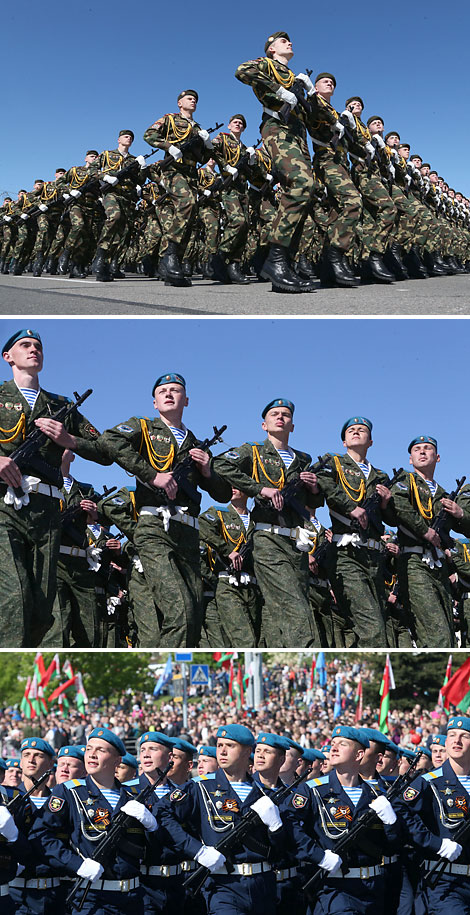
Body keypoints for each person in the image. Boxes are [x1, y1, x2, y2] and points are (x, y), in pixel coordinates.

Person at [98, 372, 231, 647]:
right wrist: (151, 475)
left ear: (186, 400)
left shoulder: (196, 445)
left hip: (189, 533)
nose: (169, 394)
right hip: (155, 527)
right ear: (155, 403)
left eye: (175, 390)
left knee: (193, 616)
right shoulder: (144, 427)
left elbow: (224, 493)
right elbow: (109, 440)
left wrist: (207, 471)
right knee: (179, 610)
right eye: (163, 391)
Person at [0, 329, 110, 647]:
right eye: (25, 345)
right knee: (13, 596)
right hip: (6, 506)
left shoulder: (60, 405)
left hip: (47, 513)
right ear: (8, 357)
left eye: (38, 346)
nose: (33, 350)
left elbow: (104, 449)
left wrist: (68, 439)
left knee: (42, 612)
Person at [214, 398, 322, 646]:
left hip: (296, 541)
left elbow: (316, 501)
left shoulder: (303, 459)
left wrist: (314, 488)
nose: (280, 417)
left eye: (286, 415)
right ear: (264, 425)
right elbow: (220, 464)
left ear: (292, 426)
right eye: (275, 414)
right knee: (294, 604)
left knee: (279, 607)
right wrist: (259, 489)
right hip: (268, 537)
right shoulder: (252, 450)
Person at [159, 723, 287, 915]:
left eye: (230, 746)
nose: (223, 751)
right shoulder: (200, 788)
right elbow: (162, 814)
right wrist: (197, 850)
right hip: (223, 886)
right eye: (219, 746)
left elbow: (282, 850)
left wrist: (276, 827)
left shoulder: (265, 794)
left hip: (263, 885)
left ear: (247, 751)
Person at [29, 726, 157, 915]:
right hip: (92, 898)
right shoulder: (69, 792)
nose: (92, 755)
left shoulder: (133, 797)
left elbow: (153, 850)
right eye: (89, 749)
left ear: (117, 760)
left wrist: (152, 827)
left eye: (101, 750)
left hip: (133, 898)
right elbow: (41, 835)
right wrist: (77, 864)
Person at [235, 32, 316, 292]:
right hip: (277, 128)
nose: (289, 42)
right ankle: (276, 260)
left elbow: (311, 115)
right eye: (282, 41)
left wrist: (309, 91)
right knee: (301, 183)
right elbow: (241, 71)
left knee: (307, 191)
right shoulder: (265, 64)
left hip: (298, 134)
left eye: (290, 40)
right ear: (271, 49)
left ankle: (285, 263)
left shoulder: (297, 78)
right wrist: (279, 88)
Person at [316, 416, 395, 647]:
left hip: (374, 557)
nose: (356, 432)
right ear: (344, 441)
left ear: (370, 441)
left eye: (362, 430)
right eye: (351, 430)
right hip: (346, 554)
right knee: (372, 629)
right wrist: (351, 508)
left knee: (376, 624)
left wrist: (386, 503)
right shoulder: (332, 463)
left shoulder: (380, 476)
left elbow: (390, 519)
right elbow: (324, 485)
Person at [394, 715, 470, 915]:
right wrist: (435, 843)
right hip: (446, 881)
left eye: (464, 736)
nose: (457, 741)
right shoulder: (428, 781)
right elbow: (401, 810)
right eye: (452, 735)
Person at [392, 435, 458, 647]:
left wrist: (460, 514)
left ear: (437, 457)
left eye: (427, 448)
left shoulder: (443, 493)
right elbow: (400, 506)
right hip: (414, 560)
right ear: (410, 459)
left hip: (438, 564)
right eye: (417, 449)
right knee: (433, 626)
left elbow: (459, 528)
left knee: (447, 625)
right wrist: (425, 531)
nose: (422, 452)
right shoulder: (404, 481)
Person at [143, 90, 212, 286]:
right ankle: (170, 256)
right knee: (186, 202)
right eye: (190, 98)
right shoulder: (170, 119)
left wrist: (207, 144)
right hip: (174, 170)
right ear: (180, 103)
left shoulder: (198, 128)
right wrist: (168, 146)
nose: (194, 101)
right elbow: (148, 135)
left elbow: (203, 159)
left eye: (196, 99)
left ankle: (172, 266)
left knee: (190, 216)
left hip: (191, 173)